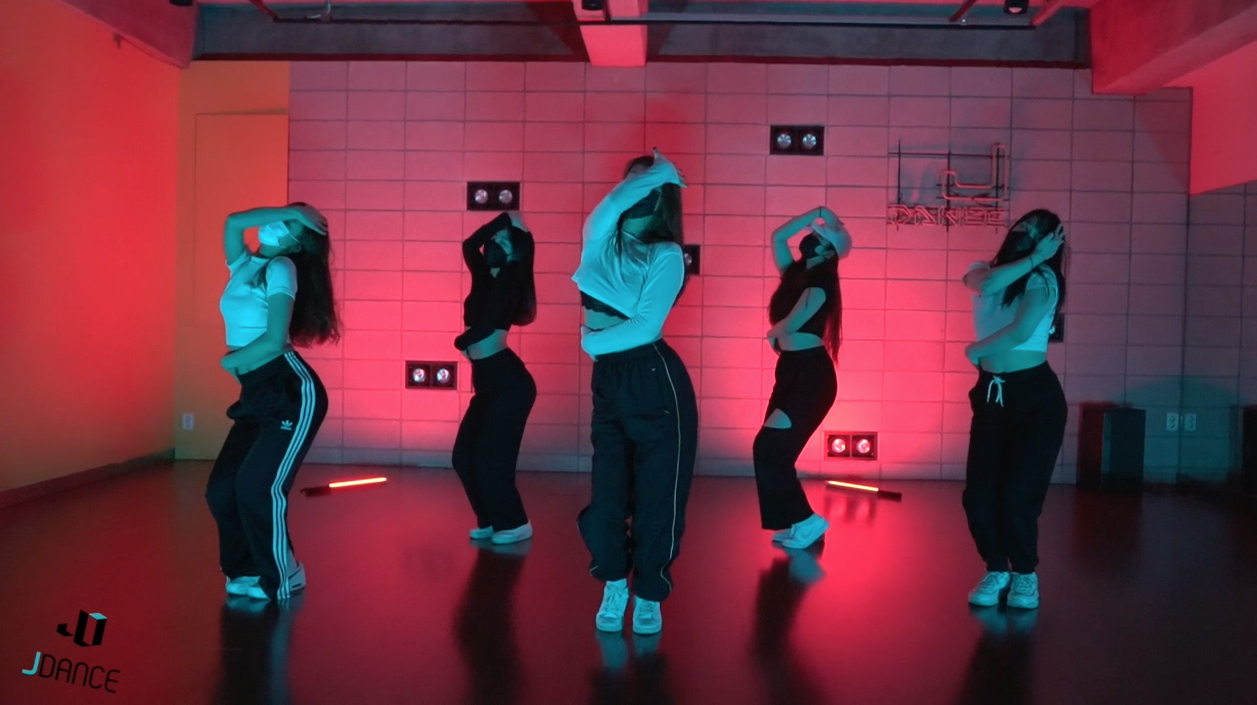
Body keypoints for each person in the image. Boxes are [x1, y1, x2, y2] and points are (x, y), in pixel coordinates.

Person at [573, 149, 697, 636]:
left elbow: (646, 326)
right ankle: (614, 582)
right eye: (631, 183)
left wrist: (589, 342)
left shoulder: (666, 254)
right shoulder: (600, 239)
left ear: (662, 198)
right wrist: (656, 173)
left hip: (653, 378)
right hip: (609, 379)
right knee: (607, 494)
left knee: (658, 496)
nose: (635, 193)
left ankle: (649, 591)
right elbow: (609, 207)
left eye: (648, 185)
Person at [206, 203, 339, 601]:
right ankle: (244, 569)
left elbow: (274, 340)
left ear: (298, 243)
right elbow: (233, 222)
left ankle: (283, 575)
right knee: (221, 489)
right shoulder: (244, 264)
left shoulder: (282, 267)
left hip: (289, 391)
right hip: (256, 391)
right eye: (285, 216)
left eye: (292, 222)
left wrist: (228, 361)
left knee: (258, 487)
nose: (280, 222)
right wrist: (289, 213)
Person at [960, 209, 1067, 610]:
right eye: (1023, 226)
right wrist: (1036, 254)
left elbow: (1021, 331)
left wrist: (976, 349)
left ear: (1052, 243)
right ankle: (996, 567)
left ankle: (1024, 573)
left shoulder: (1045, 278)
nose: (1026, 234)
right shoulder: (982, 271)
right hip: (992, 394)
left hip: (1035, 397)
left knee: (1019, 494)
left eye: (1038, 233)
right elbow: (987, 283)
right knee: (978, 494)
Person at [754, 207, 851, 549]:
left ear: (829, 252)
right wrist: (817, 212)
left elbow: (793, 323)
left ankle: (807, 521)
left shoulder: (821, 283)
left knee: (769, 448)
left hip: (810, 377)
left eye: (819, 238)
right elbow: (778, 236)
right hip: (792, 370)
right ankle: (798, 522)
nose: (810, 238)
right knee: (773, 450)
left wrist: (772, 334)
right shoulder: (795, 275)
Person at [452, 211, 538, 545]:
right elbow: (468, 245)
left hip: (509, 383)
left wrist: (461, 341)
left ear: (517, 250)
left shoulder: (512, 276)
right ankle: (490, 519)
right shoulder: (484, 275)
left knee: (490, 458)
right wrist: (504, 220)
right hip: (487, 382)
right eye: (493, 240)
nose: (493, 244)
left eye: (502, 241)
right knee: (463, 456)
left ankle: (515, 523)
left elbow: (487, 325)